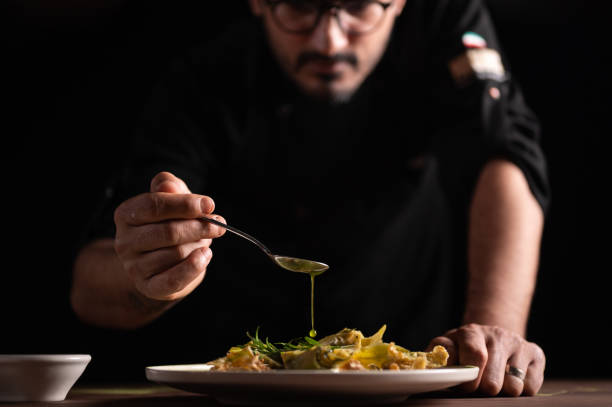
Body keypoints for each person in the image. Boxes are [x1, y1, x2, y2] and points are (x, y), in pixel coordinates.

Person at [71, 0, 549, 396]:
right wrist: (149, 276)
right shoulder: (196, 50)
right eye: (300, 7)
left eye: (359, 7)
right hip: (228, 390)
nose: (329, 41)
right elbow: (88, 289)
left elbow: (503, 159)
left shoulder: (445, 19)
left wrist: (491, 332)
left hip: (412, 383)